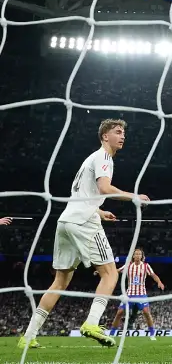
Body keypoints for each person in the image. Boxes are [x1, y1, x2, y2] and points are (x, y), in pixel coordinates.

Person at [19, 119, 150, 350]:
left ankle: (27, 337)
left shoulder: (90, 159)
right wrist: (134, 196)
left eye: (124, 133)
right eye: (118, 132)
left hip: (66, 221)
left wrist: (100, 211)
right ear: (104, 136)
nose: (123, 137)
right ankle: (91, 323)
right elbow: (105, 188)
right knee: (110, 274)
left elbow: (83, 195)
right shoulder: (104, 157)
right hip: (83, 222)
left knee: (60, 281)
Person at [109, 248, 164, 339]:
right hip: (129, 294)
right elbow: (117, 271)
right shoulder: (128, 265)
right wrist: (103, 272)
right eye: (136, 254)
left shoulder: (146, 266)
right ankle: (111, 333)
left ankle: (152, 334)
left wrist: (159, 282)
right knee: (119, 312)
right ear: (133, 256)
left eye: (139, 254)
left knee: (146, 312)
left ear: (142, 256)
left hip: (141, 294)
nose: (138, 255)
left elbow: (153, 275)